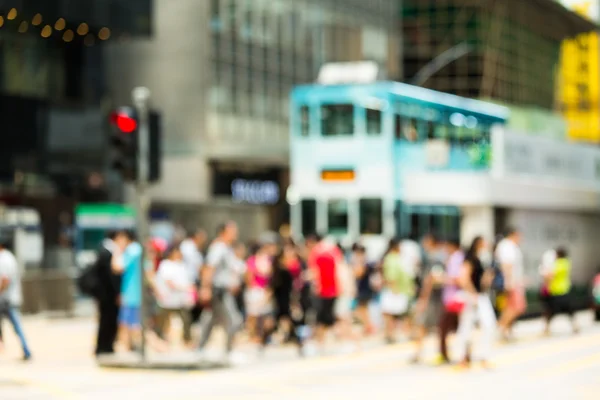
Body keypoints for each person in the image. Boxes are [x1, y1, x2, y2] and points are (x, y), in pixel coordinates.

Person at [197, 221, 244, 364]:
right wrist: (205, 288)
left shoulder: (226, 248)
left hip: (222, 290)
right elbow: (209, 267)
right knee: (234, 320)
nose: (235, 234)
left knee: (212, 320)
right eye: (232, 231)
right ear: (224, 232)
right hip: (218, 291)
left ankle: (200, 349)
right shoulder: (218, 247)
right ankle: (228, 351)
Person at [454, 236, 496, 369]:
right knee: (466, 327)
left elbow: (483, 282)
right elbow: (463, 278)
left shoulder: (482, 259)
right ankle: (463, 357)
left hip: (479, 296)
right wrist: (473, 294)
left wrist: (488, 276)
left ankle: (482, 356)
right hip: (472, 297)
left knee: (487, 325)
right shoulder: (470, 259)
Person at [412, 233, 446, 363]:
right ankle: (439, 351)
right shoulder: (439, 257)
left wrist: (423, 298)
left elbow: (430, 280)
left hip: (432, 299)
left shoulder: (434, 258)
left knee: (423, 324)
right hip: (437, 298)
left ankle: (420, 352)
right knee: (435, 326)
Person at [307, 234, 343, 353]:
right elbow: (340, 268)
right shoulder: (333, 250)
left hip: (322, 290)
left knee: (321, 318)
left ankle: (321, 342)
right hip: (334, 289)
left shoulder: (315, 252)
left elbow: (314, 272)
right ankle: (330, 342)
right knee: (330, 316)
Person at [154, 246, 195, 347]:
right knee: (162, 321)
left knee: (186, 319)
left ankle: (187, 340)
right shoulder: (165, 265)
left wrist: (189, 291)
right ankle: (158, 339)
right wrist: (182, 288)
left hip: (180, 299)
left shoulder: (181, 265)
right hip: (168, 299)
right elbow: (168, 281)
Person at [0, 237, 32, 361]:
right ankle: (26, 349)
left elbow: (4, 280)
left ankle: (26, 349)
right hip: (11, 297)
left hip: (6, 299)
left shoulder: (4, 259)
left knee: (16, 325)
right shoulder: (11, 258)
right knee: (17, 326)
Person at [112, 230, 143, 351]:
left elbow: (117, 267)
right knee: (132, 323)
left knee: (127, 323)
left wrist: (117, 251)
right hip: (135, 293)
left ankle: (126, 347)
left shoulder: (132, 250)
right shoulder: (138, 249)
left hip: (131, 293)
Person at [380, 238, 415, 344]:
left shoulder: (393, 258)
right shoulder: (392, 258)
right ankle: (392, 334)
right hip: (397, 290)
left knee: (396, 314)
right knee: (394, 314)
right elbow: (392, 276)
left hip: (399, 290)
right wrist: (395, 290)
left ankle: (393, 334)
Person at [496, 228, 526, 341]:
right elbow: (507, 265)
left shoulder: (508, 246)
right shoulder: (507, 246)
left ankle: (507, 330)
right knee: (514, 307)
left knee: (510, 306)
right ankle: (502, 328)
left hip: (514, 281)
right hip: (512, 282)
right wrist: (509, 282)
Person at [438, 238, 465, 365]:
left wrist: (441, 279)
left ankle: (446, 354)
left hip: (454, 299)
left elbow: (457, 279)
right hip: (455, 298)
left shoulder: (456, 258)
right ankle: (463, 354)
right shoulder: (458, 257)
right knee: (459, 327)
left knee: (445, 327)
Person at [94, 232, 121, 357]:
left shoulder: (102, 250)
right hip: (108, 295)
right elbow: (111, 276)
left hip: (104, 294)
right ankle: (105, 346)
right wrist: (117, 292)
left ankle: (104, 346)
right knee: (107, 320)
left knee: (105, 320)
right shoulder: (108, 253)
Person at [542, 248, 578, 335]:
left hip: (556, 290)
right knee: (568, 309)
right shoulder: (567, 262)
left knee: (551, 310)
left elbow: (550, 275)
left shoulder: (558, 264)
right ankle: (575, 325)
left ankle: (546, 328)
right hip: (564, 289)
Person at [180, 229, 207, 323]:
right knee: (189, 304)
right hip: (189, 279)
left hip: (190, 279)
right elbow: (198, 265)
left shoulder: (190, 246)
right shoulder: (189, 247)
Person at [351, 244, 375, 336]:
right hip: (364, 289)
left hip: (364, 289)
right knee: (363, 310)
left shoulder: (363, 262)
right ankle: (368, 327)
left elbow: (359, 273)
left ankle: (369, 327)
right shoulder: (366, 261)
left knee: (361, 310)